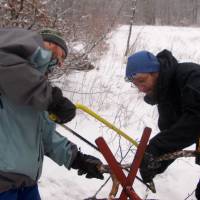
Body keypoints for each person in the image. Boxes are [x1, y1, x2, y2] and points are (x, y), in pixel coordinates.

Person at [0, 28, 104, 200]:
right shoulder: (9, 70)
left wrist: (77, 159)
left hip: (26, 184)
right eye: (61, 55)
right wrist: (52, 99)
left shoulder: (34, 93)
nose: (61, 64)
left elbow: (45, 137)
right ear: (48, 44)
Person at [125, 50, 200, 199]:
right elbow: (172, 135)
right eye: (135, 84)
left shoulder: (191, 75)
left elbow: (195, 120)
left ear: (155, 72)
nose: (141, 88)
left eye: (142, 80)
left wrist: (155, 147)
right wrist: (156, 164)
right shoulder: (165, 96)